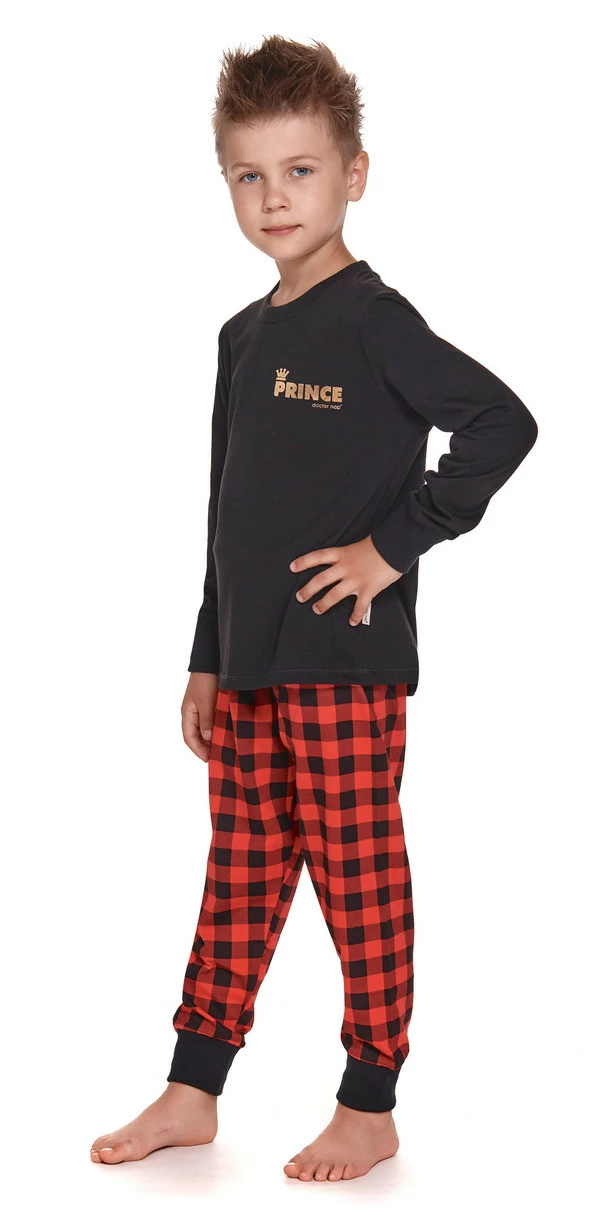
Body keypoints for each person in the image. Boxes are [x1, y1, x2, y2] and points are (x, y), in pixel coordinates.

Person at [90, 34, 538, 1182]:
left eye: (298, 170)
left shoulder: (373, 320)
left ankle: (369, 1103)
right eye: (248, 174)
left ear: (353, 174)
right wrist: (206, 653)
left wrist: (392, 547)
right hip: (248, 666)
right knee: (237, 873)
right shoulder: (242, 338)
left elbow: (501, 423)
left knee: (357, 877)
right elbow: (225, 512)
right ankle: (194, 1087)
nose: (273, 197)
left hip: (344, 663)